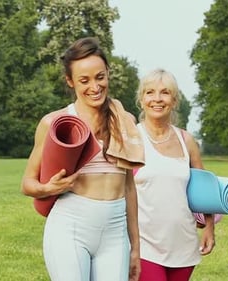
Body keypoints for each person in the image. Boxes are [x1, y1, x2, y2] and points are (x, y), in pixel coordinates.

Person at [21, 37, 145, 281]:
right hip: (70, 228)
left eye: (100, 77)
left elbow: (129, 188)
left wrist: (136, 249)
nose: (95, 87)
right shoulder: (55, 123)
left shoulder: (125, 122)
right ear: (70, 81)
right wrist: (49, 188)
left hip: (115, 233)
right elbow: (27, 184)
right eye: (84, 80)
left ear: (108, 73)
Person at [133, 68, 215, 281]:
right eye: (150, 92)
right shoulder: (131, 138)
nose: (157, 99)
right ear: (141, 100)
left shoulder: (186, 140)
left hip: (183, 244)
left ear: (175, 100)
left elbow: (204, 189)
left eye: (165, 92)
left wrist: (209, 228)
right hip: (144, 244)